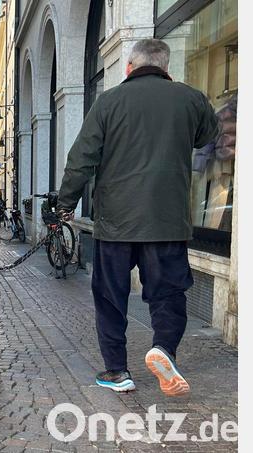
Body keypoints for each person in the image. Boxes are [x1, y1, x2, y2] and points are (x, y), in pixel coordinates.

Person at [57, 39, 218, 396]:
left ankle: (117, 371)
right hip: (167, 220)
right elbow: (209, 136)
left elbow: (81, 159)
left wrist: (65, 204)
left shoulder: (109, 102)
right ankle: (163, 349)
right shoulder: (190, 98)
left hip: (116, 222)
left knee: (110, 296)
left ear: (129, 67)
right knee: (168, 293)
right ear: (166, 67)